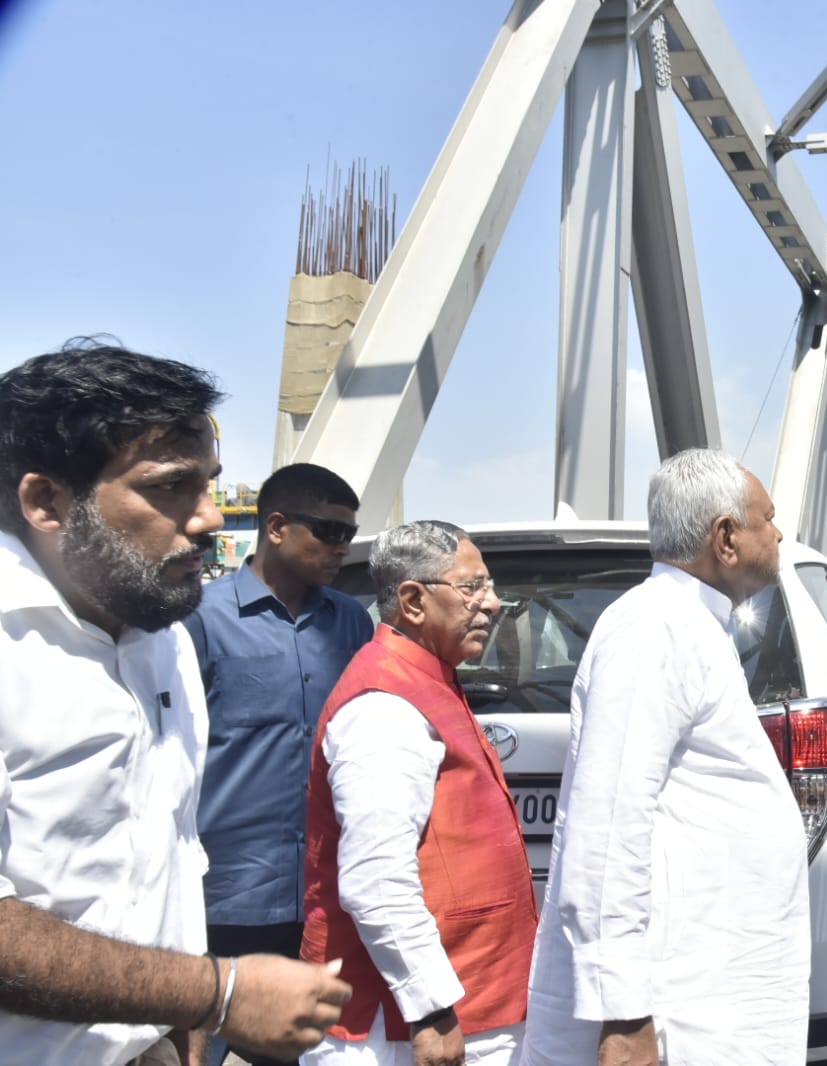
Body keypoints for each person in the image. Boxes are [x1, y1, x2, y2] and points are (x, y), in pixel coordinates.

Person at [0, 341, 350, 1066]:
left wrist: (180, 1023)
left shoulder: (160, 637)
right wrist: (210, 992)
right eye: (169, 487)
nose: (210, 519)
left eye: (209, 484)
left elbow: (169, 846)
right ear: (46, 501)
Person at [523, 449, 809, 1065]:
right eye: (768, 518)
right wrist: (624, 1017)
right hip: (677, 1005)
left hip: (711, 982)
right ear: (725, 537)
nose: (780, 533)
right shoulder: (655, 630)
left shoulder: (690, 624)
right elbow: (607, 827)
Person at [300, 521, 538, 1065]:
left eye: (490, 586)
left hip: (465, 1006)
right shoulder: (384, 706)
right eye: (472, 587)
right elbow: (375, 881)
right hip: (403, 1029)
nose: (493, 603)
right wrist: (431, 1010)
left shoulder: (428, 681)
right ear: (412, 600)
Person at [185, 463, 373, 1066]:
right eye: (328, 531)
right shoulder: (199, 619)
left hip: (322, 890)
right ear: (275, 527)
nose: (342, 547)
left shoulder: (350, 622)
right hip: (224, 891)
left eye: (350, 534)